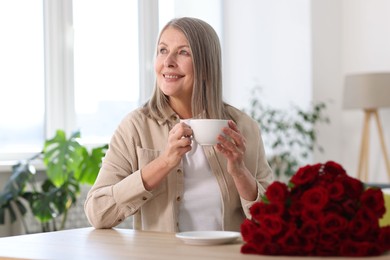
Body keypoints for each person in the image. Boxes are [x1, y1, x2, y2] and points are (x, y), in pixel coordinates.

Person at [84, 17, 273, 233]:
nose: (168, 61)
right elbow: (97, 213)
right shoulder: (135, 127)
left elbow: (271, 218)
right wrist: (164, 163)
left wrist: (240, 172)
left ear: (206, 66)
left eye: (183, 52)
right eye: (163, 50)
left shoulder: (244, 127)